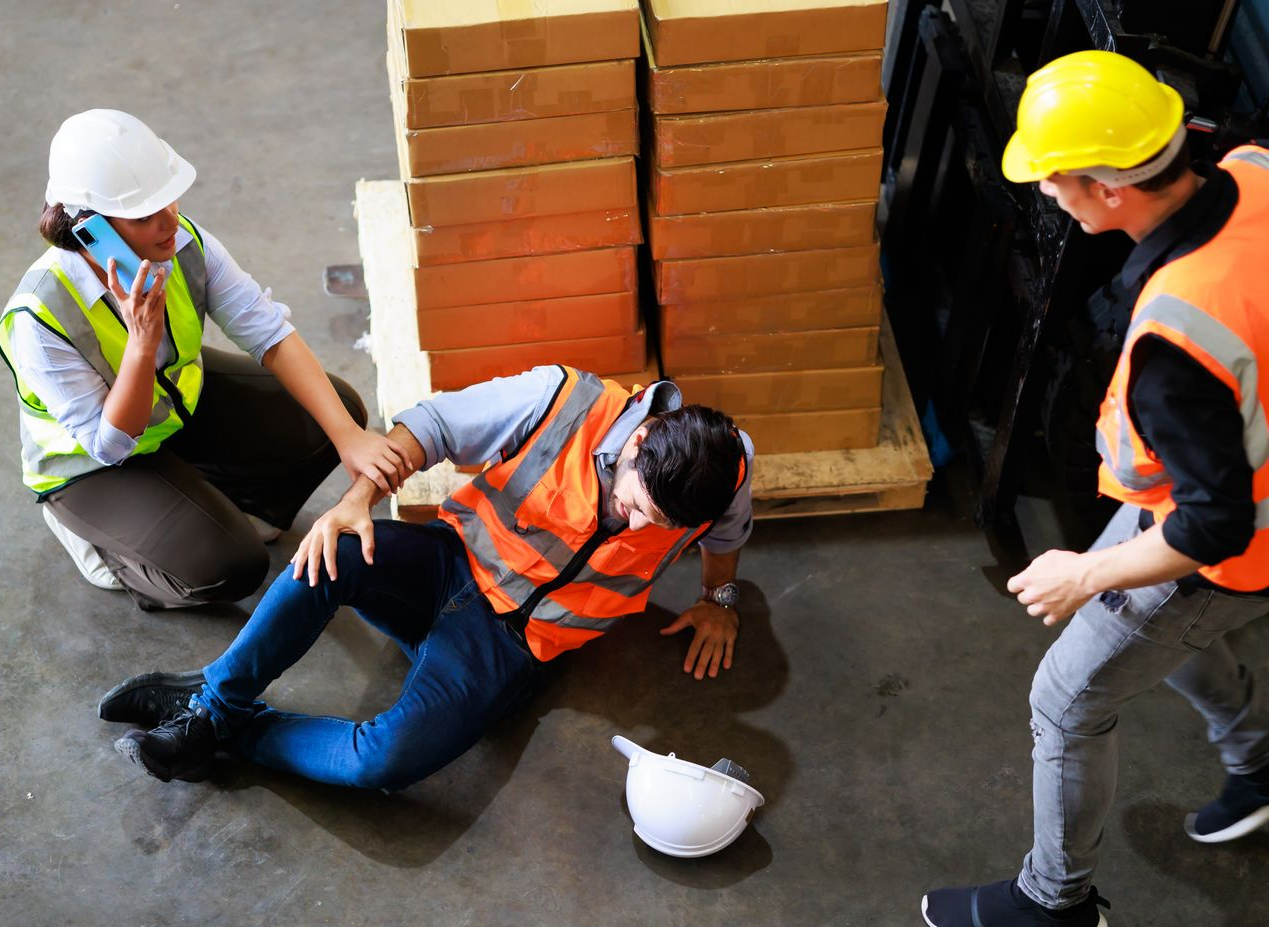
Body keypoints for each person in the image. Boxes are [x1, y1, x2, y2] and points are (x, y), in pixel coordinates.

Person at [922, 51, 1269, 927]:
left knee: (1066, 699)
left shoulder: (1176, 338)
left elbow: (1214, 525)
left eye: (1052, 177)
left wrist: (1085, 573)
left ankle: (1054, 905)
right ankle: (1260, 758)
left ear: (1109, 191)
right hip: (1226, 479)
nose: (1043, 191)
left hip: (1229, 539)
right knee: (1166, 639)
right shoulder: (1254, 170)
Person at [99, 365, 754, 789]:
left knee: (381, 762)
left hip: (507, 648)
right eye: (636, 505)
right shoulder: (563, 400)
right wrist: (353, 502)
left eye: (657, 524)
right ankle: (212, 706)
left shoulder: (723, 474)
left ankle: (212, 720)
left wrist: (716, 596)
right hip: (446, 562)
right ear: (638, 444)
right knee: (330, 550)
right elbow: (433, 426)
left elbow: (723, 534)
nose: (638, 526)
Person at [0, 110, 410, 609]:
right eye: (144, 215)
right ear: (90, 230)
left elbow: (270, 333)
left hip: (173, 412)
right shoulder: (39, 317)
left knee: (337, 409)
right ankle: (104, 547)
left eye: (167, 201)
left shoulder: (184, 244)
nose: (169, 222)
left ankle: (224, 505)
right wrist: (141, 343)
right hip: (93, 465)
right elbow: (110, 444)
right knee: (229, 568)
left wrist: (350, 440)